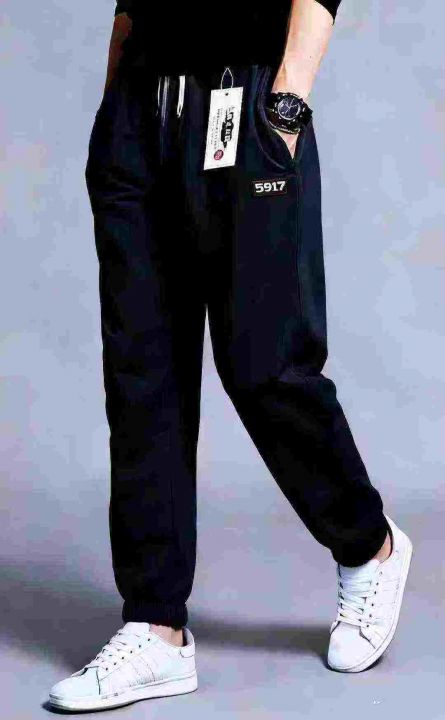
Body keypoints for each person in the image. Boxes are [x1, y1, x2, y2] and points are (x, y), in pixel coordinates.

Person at [48, 0, 413, 711]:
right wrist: (112, 113)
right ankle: (155, 627)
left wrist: (286, 105)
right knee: (141, 375)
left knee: (266, 366)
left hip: (243, 101)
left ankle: (368, 544)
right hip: (137, 111)